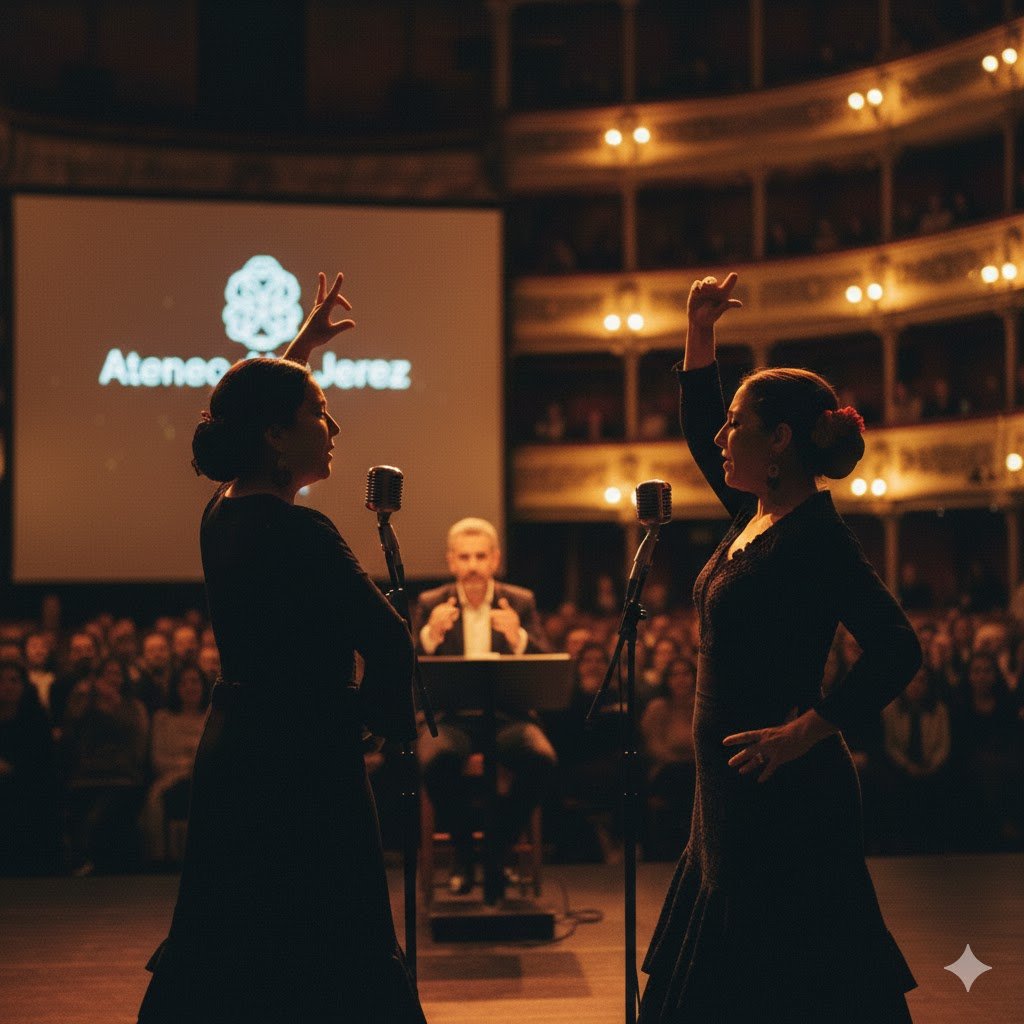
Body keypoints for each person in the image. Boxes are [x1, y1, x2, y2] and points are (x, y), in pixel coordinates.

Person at [138, 272, 427, 1023]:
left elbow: (257, 407)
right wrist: (378, 726)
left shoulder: (219, 514)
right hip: (307, 766)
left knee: (234, 933)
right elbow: (392, 644)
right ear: (274, 434)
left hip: (234, 754)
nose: (333, 430)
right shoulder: (304, 533)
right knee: (336, 937)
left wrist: (302, 348)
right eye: (319, 413)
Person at [639, 273, 921, 1024]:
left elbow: (899, 647)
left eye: (740, 425)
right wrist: (700, 336)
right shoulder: (752, 514)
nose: (723, 438)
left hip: (787, 799)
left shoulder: (818, 539)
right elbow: (703, 428)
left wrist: (809, 730)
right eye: (728, 426)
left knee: (788, 990)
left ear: (781, 441)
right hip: (726, 797)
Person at [412, 517, 555, 904]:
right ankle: (464, 853)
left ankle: (499, 849)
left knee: (541, 759)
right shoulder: (431, 603)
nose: (473, 565)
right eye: (464, 557)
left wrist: (517, 636)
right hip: (451, 720)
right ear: (451, 562)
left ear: (495, 559)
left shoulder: (519, 601)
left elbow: (546, 666)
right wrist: (430, 636)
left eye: (480, 556)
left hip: (509, 717)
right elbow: (408, 670)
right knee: (435, 760)